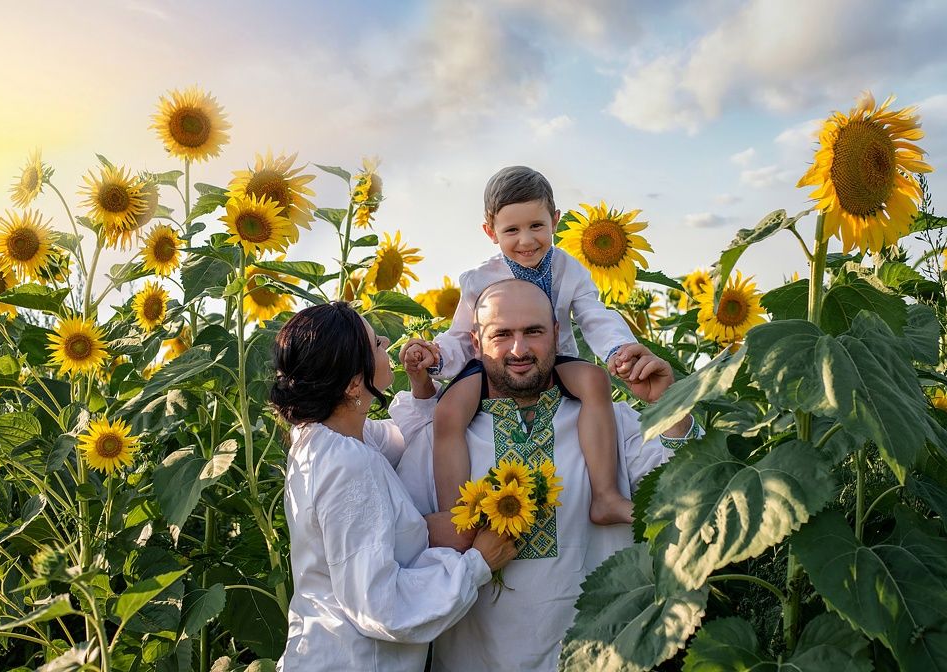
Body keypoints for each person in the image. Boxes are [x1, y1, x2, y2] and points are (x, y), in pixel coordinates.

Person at [392, 280, 699, 671]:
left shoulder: (611, 423)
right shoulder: (435, 442)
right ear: (475, 343)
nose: (519, 350)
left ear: (556, 333)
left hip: (601, 657)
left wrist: (669, 407)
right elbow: (397, 546)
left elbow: (685, 495)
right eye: (502, 334)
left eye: (533, 332)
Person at [402, 165, 663, 528]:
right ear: (490, 232)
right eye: (512, 230)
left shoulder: (570, 270)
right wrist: (438, 355)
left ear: (555, 220)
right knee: (448, 414)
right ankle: (456, 514)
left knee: (594, 383)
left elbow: (593, 315)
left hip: (554, 358)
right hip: (489, 365)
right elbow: (463, 334)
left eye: (536, 226)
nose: (526, 240)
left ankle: (605, 495)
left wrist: (618, 350)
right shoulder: (480, 279)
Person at [270, 302, 518, 672]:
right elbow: (382, 607)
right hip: (353, 661)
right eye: (375, 344)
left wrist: (422, 386)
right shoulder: (348, 464)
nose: (386, 342)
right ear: (355, 383)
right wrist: (475, 564)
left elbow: (404, 437)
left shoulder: (324, 437)